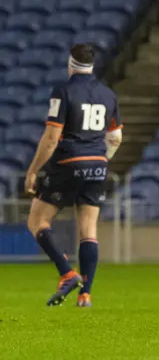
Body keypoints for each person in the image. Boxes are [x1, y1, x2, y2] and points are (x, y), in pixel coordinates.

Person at [25, 44, 123, 307]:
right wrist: (102, 161)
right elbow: (115, 137)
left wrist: (34, 170)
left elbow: (52, 137)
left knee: (37, 221)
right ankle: (85, 295)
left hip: (69, 161)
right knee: (89, 230)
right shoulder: (108, 95)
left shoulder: (63, 91)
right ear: (93, 66)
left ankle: (67, 273)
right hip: (98, 164)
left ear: (71, 64)